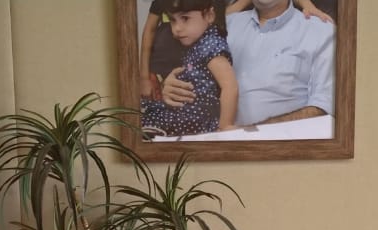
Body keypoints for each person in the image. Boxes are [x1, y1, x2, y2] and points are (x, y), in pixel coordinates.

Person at [161, 0, 334, 127]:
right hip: (211, 144)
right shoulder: (220, 28)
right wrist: (171, 87)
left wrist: (250, 132)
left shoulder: (321, 31)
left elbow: (323, 108)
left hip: (283, 149)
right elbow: (191, 68)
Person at [141, 0, 238, 137]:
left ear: (209, 15)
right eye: (173, 20)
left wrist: (225, 125)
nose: (177, 28)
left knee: (147, 120)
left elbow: (230, 87)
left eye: (185, 18)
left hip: (196, 117)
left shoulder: (211, 45)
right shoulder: (196, 43)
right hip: (186, 112)